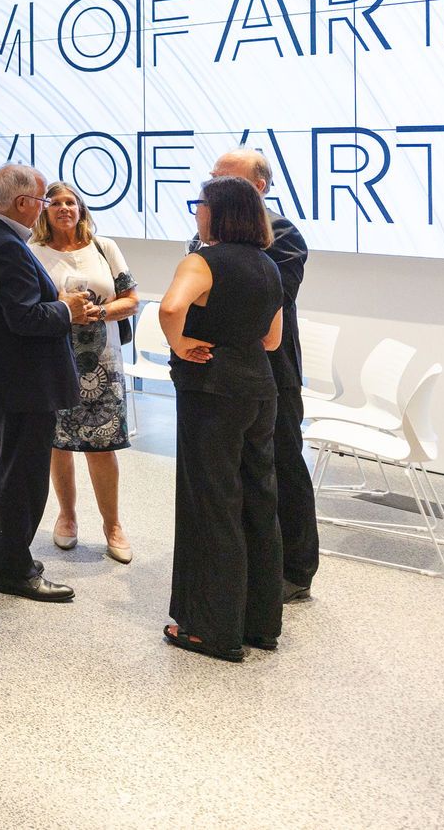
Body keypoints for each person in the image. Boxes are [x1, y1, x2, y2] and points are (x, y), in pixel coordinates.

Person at [0, 164, 98, 603]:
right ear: (22, 203)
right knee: (24, 475)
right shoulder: (5, 246)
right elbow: (25, 317)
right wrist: (67, 310)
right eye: (42, 202)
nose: (45, 210)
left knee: (0, 464)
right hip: (22, 381)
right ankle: (14, 569)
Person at [162, 176, 285, 662]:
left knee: (211, 504)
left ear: (218, 212)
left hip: (211, 391)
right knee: (258, 502)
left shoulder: (202, 260)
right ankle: (261, 624)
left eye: (201, 205)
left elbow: (171, 307)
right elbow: (271, 341)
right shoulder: (269, 266)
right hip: (259, 390)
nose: (197, 212)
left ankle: (213, 630)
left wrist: (179, 344)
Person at [203, 148, 318, 602]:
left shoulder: (283, 234)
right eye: (212, 177)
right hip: (227, 373)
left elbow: (266, 299)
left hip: (273, 371)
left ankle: (296, 569)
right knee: (240, 472)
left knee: (283, 466)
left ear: (258, 187)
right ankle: (253, 561)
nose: (211, 187)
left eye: (222, 179)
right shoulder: (207, 236)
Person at [31, 182, 139, 563]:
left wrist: (102, 312)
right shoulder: (33, 252)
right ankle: (67, 517)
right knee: (58, 443)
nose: (64, 208)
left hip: (103, 363)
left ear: (81, 209)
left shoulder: (103, 247)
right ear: (44, 211)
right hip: (54, 358)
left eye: (71, 202)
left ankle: (113, 525)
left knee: (103, 445)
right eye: (56, 203)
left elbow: (131, 299)